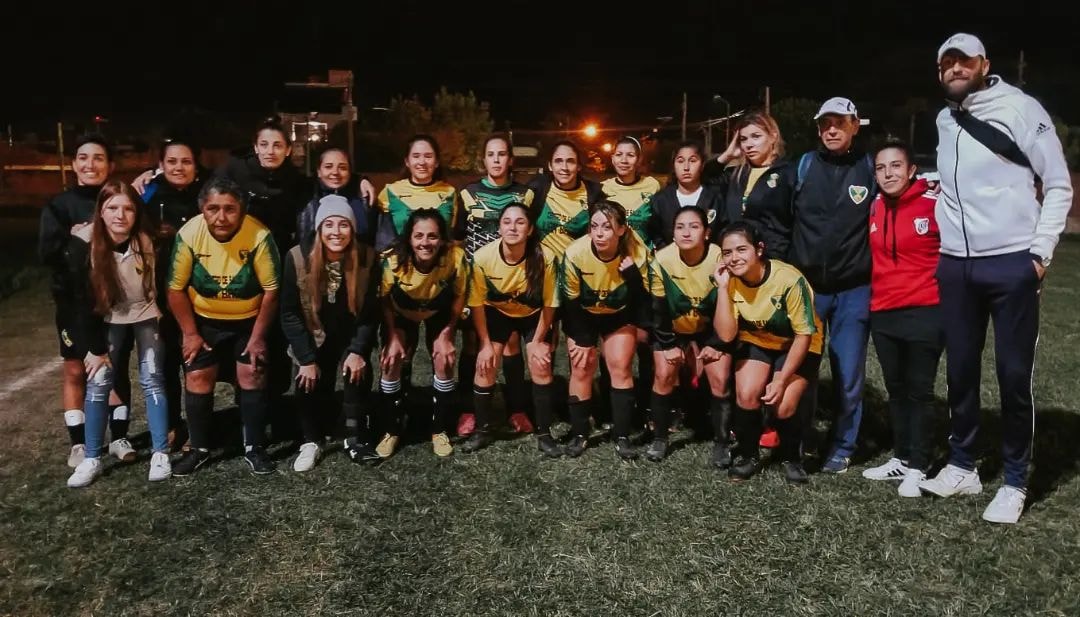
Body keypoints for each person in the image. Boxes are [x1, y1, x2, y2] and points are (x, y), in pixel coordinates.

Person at [919, 33, 1074, 524]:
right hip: (956, 265)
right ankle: (963, 464)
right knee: (960, 370)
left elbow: (1058, 184)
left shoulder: (1021, 108)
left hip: (1010, 262)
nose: (955, 68)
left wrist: (1039, 252)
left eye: (963, 59)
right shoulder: (945, 119)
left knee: (1012, 375)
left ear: (984, 62)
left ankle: (1014, 478)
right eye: (947, 62)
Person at [166, 177, 281, 476]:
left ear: (242, 210)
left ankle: (254, 447)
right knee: (198, 375)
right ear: (202, 209)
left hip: (247, 321)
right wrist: (190, 334)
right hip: (205, 322)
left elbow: (271, 290)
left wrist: (257, 338)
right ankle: (200, 449)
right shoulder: (189, 233)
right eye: (213, 208)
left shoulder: (259, 235)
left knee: (252, 373)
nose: (221, 217)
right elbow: (175, 289)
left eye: (230, 209)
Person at [788, 96, 876, 473]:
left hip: (854, 289)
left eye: (839, 122)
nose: (831, 130)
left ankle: (843, 445)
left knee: (848, 372)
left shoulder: (871, 168)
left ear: (856, 124)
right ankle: (800, 438)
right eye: (825, 123)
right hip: (808, 290)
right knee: (801, 368)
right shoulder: (804, 167)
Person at [64, 181, 172, 487]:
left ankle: (160, 453)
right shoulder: (84, 242)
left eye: (128, 208)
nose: (120, 215)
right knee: (98, 382)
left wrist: (150, 182)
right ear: (100, 210)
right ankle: (92, 457)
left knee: (152, 378)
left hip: (145, 314)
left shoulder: (147, 240)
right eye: (112, 207)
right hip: (106, 319)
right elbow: (81, 300)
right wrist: (93, 348)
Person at [38, 133, 134, 468]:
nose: (89, 164)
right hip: (74, 304)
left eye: (98, 158)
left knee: (113, 365)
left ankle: (119, 436)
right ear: (74, 163)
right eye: (83, 157)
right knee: (77, 368)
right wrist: (75, 240)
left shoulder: (122, 199)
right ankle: (78, 444)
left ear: (110, 165)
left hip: (115, 302)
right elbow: (47, 253)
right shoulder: (59, 206)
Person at [858, 142, 942, 498]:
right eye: (881, 168)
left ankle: (921, 465)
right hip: (884, 311)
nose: (888, 173)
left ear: (911, 171)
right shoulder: (875, 206)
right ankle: (903, 457)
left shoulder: (936, 203)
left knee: (920, 390)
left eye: (896, 166)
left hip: (926, 309)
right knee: (896, 389)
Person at [714, 222, 821, 484]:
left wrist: (782, 378)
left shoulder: (789, 279)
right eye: (727, 252)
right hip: (759, 340)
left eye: (741, 249)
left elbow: (804, 335)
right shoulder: (728, 279)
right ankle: (749, 456)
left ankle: (790, 457)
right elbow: (726, 335)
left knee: (782, 404)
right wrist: (721, 289)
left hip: (798, 342)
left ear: (759, 249)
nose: (734, 258)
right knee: (747, 393)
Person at [280, 195, 380, 471]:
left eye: (343, 225)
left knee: (357, 371)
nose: (336, 232)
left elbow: (371, 312)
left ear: (352, 228)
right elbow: (289, 313)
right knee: (307, 378)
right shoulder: (297, 257)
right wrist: (306, 358)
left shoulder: (367, 257)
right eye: (329, 225)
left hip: (348, 331)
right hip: (314, 331)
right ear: (319, 229)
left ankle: (354, 436)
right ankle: (311, 440)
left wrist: (359, 350)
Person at [460, 203, 559, 454]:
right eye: (507, 222)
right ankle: (482, 430)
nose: (513, 227)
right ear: (499, 227)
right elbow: (478, 305)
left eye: (520, 222)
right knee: (486, 363)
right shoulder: (483, 257)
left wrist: (537, 341)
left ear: (530, 229)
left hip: (533, 315)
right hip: (497, 312)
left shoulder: (546, 257)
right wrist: (484, 344)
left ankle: (545, 433)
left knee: (540, 363)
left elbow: (549, 304)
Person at [457, 134, 536, 437]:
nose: (497, 160)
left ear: (510, 159)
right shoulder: (467, 193)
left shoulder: (525, 195)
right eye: (491, 154)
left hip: (511, 281)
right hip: (476, 280)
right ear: (484, 159)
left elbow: (532, 234)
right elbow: (457, 237)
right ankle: (468, 410)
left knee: (512, 343)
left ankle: (517, 409)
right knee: (474, 344)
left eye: (502, 154)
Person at [560, 200, 650, 460]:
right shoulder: (576, 253)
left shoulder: (637, 252)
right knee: (582, 366)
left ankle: (621, 436)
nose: (599, 233)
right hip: (583, 314)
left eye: (607, 227)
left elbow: (644, 302)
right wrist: (583, 339)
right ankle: (580, 434)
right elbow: (570, 301)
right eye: (594, 226)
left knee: (620, 368)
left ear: (621, 230)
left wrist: (633, 277)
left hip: (619, 314)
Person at [377, 209, 470, 458]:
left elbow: (460, 294)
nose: (425, 243)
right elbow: (384, 299)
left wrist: (448, 332)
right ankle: (391, 429)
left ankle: (439, 430)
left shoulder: (454, 257)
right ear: (409, 238)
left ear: (441, 239)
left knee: (444, 356)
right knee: (391, 359)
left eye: (432, 236)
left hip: (436, 312)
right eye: (419, 236)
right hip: (401, 313)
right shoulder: (394, 259)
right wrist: (393, 336)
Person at [646, 206, 730, 464]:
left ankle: (722, 442)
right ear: (673, 234)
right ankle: (660, 438)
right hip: (672, 330)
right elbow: (657, 310)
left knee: (719, 376)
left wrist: (716, 344)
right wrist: (669, 345)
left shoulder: (720, 258)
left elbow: (728, 308)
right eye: (680, 226)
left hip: (709, 331)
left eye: (694, 226)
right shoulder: (661, 260)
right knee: (664, 372)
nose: (686, 232)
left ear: (706, 233)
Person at [138, 137, 207, 447]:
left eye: (186, 161)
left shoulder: (207, 192)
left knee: (196, 362)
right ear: (161, 165)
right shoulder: (149, 194)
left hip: (202, 293)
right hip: (162, 294)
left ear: (196, 165)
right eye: (172, 162)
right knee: (166, 363)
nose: (179, 167)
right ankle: (172, 424)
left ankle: (197, 426)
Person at [708, 111, 796, 260]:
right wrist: (728, 155)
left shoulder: (788, 173)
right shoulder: (735, 175)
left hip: (771, 260)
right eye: (743, 139)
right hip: (736, 260)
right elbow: (704, 178)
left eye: (756, 136)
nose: (749, 144)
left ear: (773, 136)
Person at [374, 135, 462, 252]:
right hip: (400, 267)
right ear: (407, 161)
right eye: (416, 156)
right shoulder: (390, 192)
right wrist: (361, 180)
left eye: (428, 156)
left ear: (436, 162)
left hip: (441, 267)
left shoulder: (449, 193)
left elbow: (452, 235)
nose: (422, 162)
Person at [529, 140, 605, 259]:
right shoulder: (537, 189)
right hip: (543, 270)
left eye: (570, 161)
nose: (564, 167)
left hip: (577, 270)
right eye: (558, 161)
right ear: (550, 165)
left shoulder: (594, 194)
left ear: (579, 166)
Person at [296, 147, 375, 254]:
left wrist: (361, 179)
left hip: (356, 264)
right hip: (312, 262)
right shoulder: (306, 195)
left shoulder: (362, 197)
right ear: (319, 171)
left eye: (342, 168)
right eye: (328, 167)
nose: (335, 172)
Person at [649, 141, 725, 250]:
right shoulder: (661, 200)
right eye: (680, 161)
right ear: (673, 165)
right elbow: (654, 233)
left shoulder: (716, 197)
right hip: (671, 263)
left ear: (702, 165)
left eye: (693, 161)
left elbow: (723, 231)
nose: (686, 167)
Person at [601, 136, 662, 245]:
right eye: (619, 155)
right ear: (612, 159)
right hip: (614, 258)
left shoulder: (652, 185)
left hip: (645, 258)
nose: (624, 160)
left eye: (630, 155)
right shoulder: (603, 188)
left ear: (639, 159)